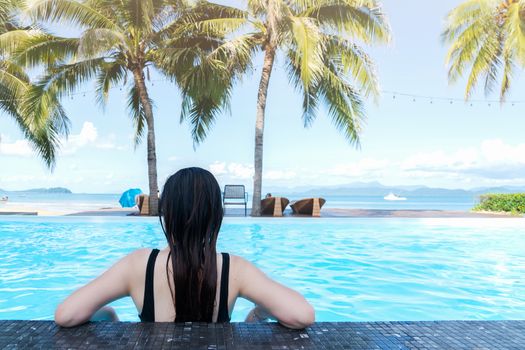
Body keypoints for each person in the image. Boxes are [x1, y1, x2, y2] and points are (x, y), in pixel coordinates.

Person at [55, 167, 314, 329]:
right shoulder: (233, 269)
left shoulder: (138, 265)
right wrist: (259, 312)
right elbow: (302, 315)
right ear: (216, 216)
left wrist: (109, 318)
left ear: (167, 214)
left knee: (108, 311)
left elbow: (66, 315)